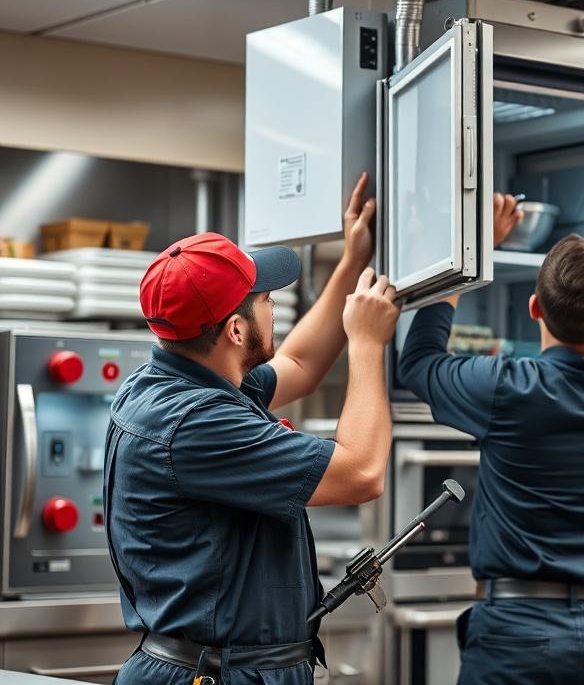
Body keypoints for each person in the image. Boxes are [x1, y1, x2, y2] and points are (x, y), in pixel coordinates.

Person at [104, 173, 400, 685]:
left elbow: (301, 364)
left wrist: (353, 262)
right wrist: (368, 344)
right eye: (264, 298)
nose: (273, 304)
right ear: (236, 330)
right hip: (215, 674)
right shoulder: (197, 423)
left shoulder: (176, 382)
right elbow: (362, 471)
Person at [397, 196, 584, 685]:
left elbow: (418, 362)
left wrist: (469, 256)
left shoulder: (506, 387)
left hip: (516, 631)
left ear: (534, 309)